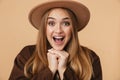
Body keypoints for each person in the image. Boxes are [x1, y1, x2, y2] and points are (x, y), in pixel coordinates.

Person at [9, 0, 102, 80]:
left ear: (73, 28)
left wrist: (64, 71)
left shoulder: (90, 58)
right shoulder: (27, 54)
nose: (58, 30)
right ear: (44, 28)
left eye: (66, 23)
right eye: (51, 23)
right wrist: (50, 70)